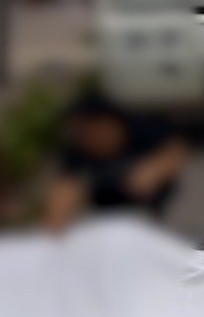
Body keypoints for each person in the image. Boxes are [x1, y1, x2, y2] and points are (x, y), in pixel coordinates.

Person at [43, 92, 187, 232]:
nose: (90, 140)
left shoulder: (138, 124)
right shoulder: (78, 147)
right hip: (109, 208)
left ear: (109, 121)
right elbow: (65, 186)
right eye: (81, 134)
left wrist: (154, 169)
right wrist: (56, 221)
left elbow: (175, 149)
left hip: (154, 201)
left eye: (92, 131)